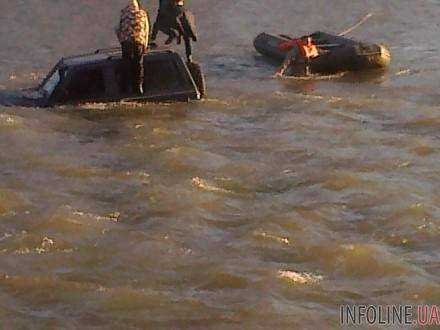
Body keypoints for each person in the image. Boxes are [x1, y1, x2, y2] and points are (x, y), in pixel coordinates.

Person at [116, 0, 149, 94]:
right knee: (138, 64)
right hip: (139, 41)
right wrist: (145, 45)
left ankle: (124, 87)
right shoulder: (142, 13)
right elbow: (146, 30)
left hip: (126, 42)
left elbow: (119, 29)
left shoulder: (124, 14)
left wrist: (121, 40)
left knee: (126, 63)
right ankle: (138, 87)